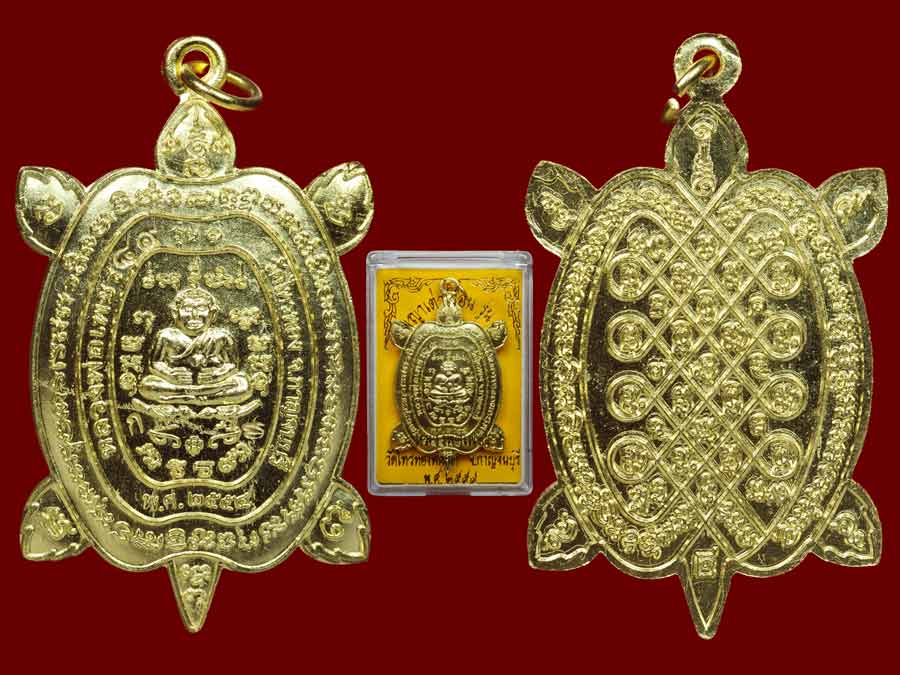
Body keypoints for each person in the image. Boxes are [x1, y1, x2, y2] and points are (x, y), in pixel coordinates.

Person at [138, 286, 252, 406]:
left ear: (213, 314)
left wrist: (218, 375)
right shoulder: (166, 336)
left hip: (212, 384)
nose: (194, 315)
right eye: (187, 309)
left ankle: (182, 398)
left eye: (201, 308)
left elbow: (233, 365)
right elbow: (155, 363)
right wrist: (170, 375)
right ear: (175, 313)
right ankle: (204, 399)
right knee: (147, 384)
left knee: (243, 384)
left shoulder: (221, 336)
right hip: (178, 385)